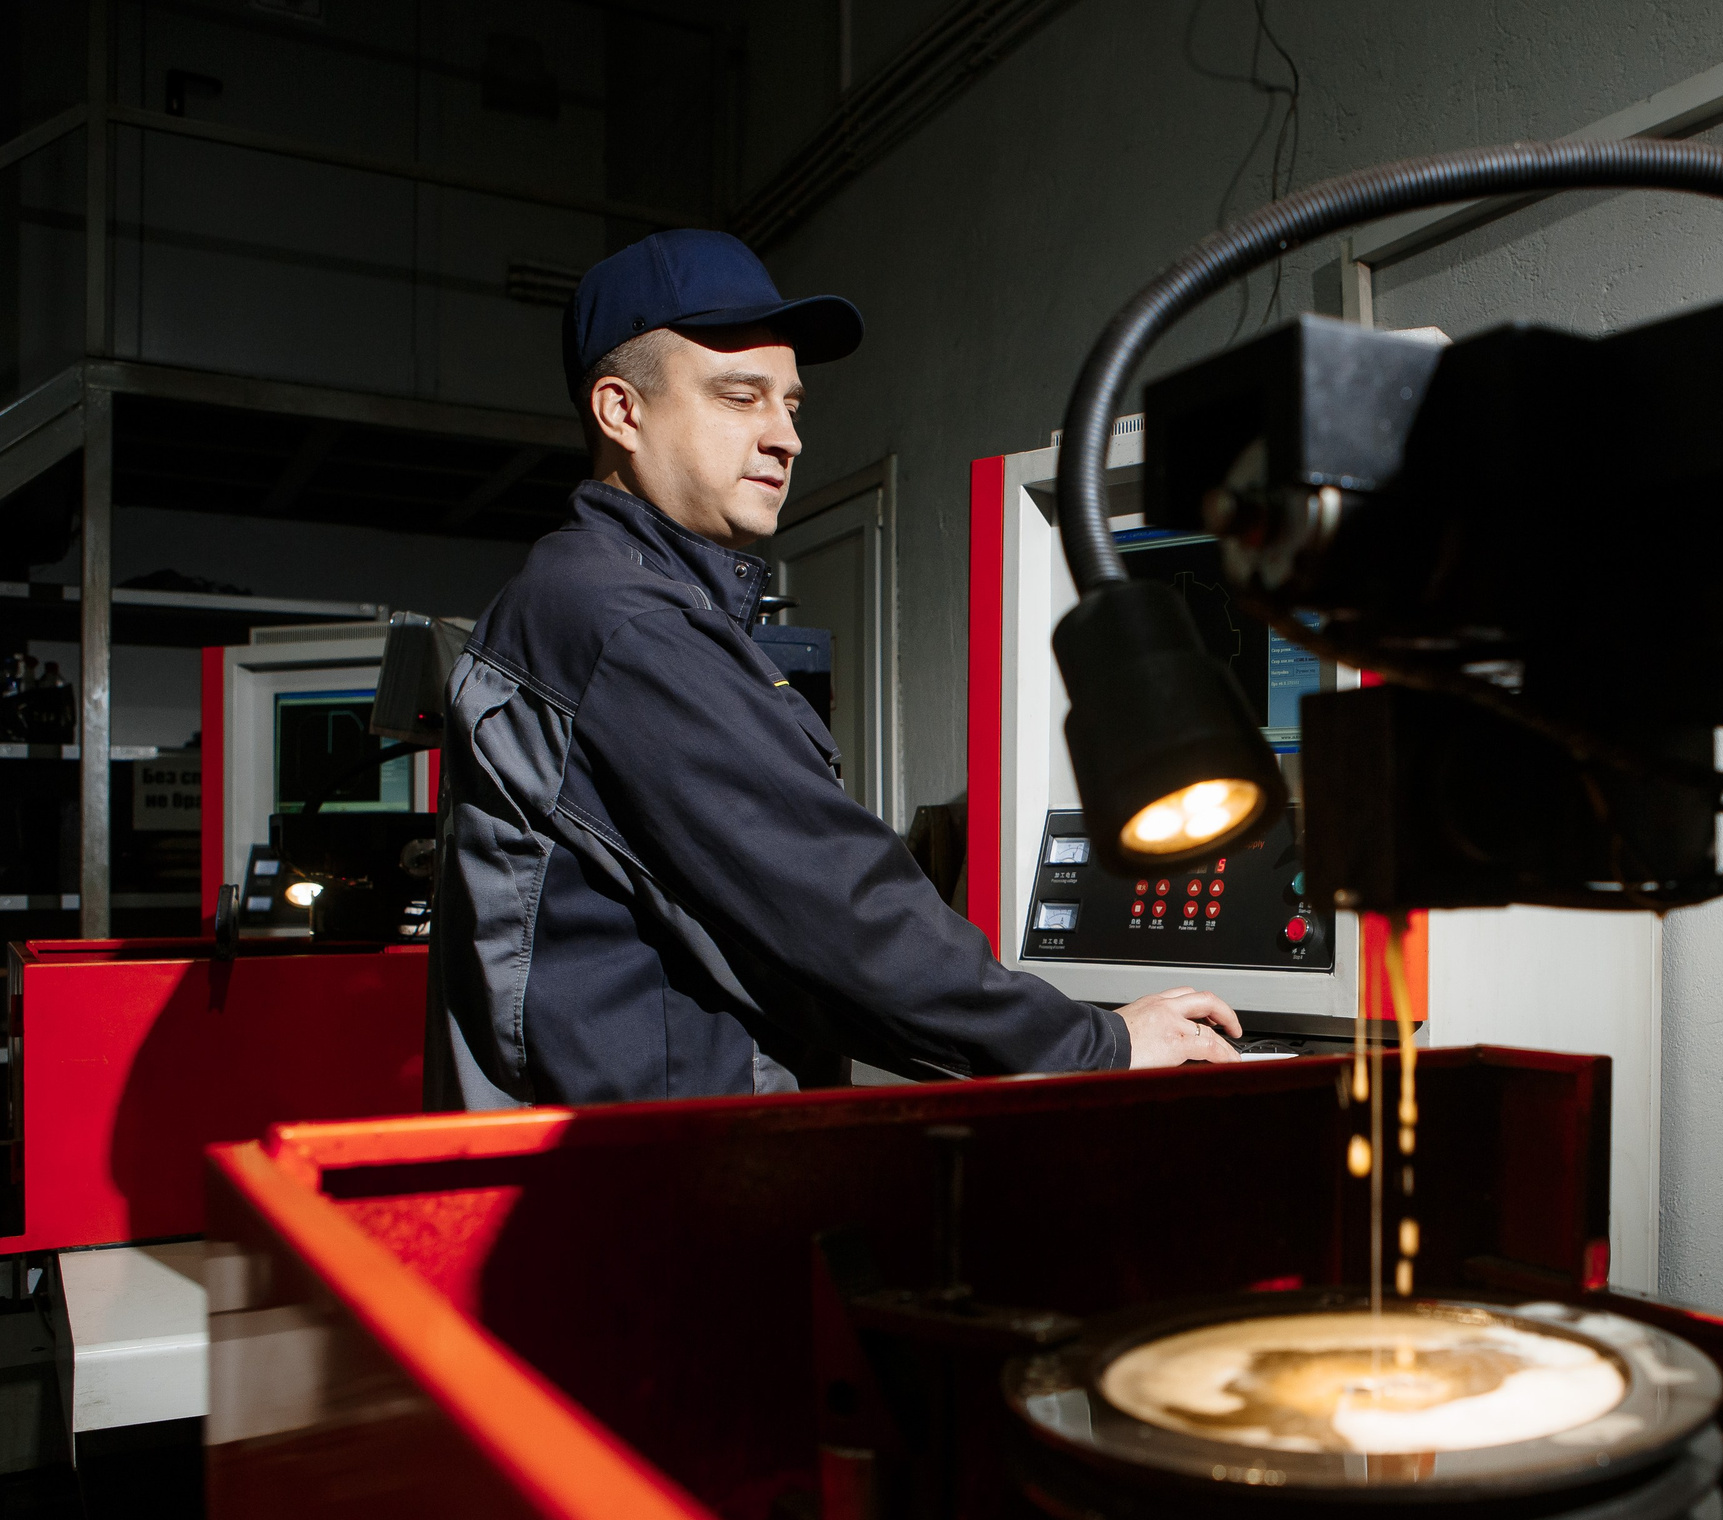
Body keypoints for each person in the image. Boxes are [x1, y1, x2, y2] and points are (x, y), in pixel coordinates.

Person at [425, 230, 1240, 1108]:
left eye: (792, 405)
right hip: (652, 1187)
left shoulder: (585, 600)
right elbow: (839, 910)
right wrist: (1103, 1046)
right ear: (621, 411)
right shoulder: (623, 626)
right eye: (741, 398)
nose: (786, 438)